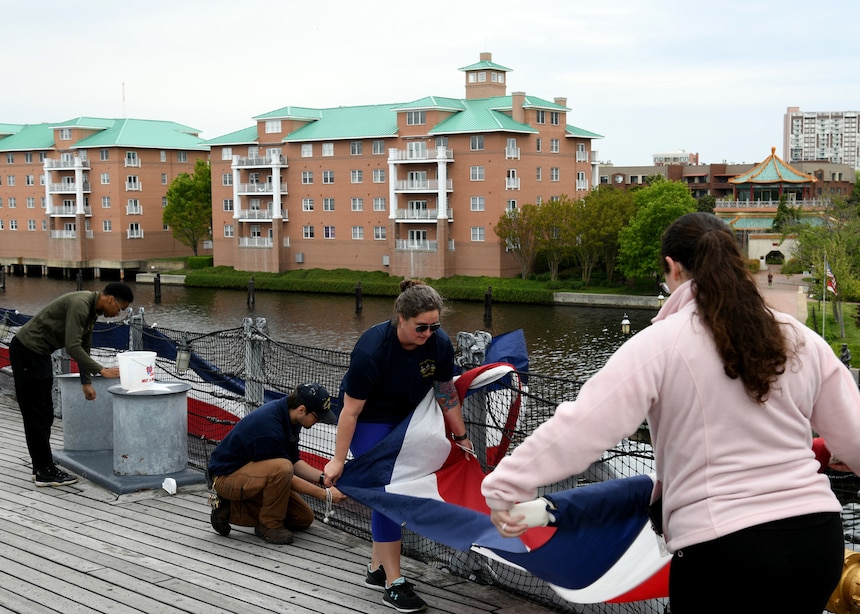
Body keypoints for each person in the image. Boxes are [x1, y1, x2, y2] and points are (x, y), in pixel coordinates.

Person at [481, 212, 860, 614]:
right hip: (816, 539)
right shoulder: (799, 338)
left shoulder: (661, 344)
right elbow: (853, 437)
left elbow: (583, 427)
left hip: (726, 548)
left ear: (671, 267)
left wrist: (505, 487)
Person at [323, 279, 472, 613]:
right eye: (421, 327)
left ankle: (377, 569)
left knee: (398, 489)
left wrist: (461, 437)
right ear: (401, 319)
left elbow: (446, 393)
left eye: (435, 326)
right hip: (369, 421)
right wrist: (337, 460)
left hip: (410, 421)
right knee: (388, 492)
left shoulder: (439, 344)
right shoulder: (372, 349)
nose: (428, 334)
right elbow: (350, 411)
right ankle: (394, 583)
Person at [10, 282, 134, 487]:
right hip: (27, 352)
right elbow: (73, 345)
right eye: (119, 309)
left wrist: (86, 382)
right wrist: (101, 370)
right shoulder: (81, 304)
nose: (117, 314)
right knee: (37, 414)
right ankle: (44, 471)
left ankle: (41, 466)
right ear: (110, 299)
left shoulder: (91, 310)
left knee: (45, 413)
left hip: (38, 355)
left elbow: (84, 346)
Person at [208, 383, 346, 544]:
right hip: (225, 478)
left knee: (303, 518)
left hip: (253, 475)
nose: (319, 421)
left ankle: (229, 510)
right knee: (282, 468)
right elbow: (284, 472)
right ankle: (269, 525)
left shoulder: (291, 417)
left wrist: (324, 479)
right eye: (317, 417)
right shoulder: (270, 426)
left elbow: (294, 462)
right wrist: (326, 495)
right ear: (302, 409)